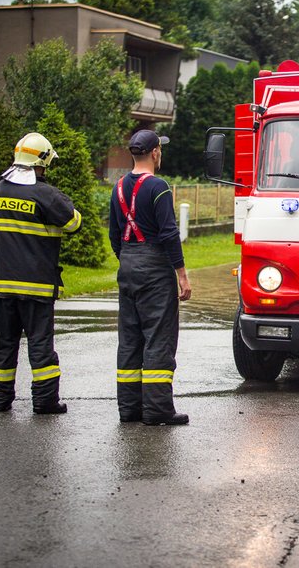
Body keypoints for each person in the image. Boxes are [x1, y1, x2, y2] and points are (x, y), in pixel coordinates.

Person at [0, 132, 82, 414]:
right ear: (42, 161)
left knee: (4, 343)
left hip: (3, 284)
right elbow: (74, 222)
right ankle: (44, 401)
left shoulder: (1, 190)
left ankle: (0, 398)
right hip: (36, 285)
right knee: (40, 343)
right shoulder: (45, 194)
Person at [109, 129, 192, 426]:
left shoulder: (118, 187)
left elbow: (114, 235)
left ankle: (129, 408)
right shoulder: (158, 187)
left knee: (130, 340)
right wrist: (181, 274)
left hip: (128, 265)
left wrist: (129, 261)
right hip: (155, 269)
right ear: (155, 152)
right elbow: (169, 233)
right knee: (158, 337)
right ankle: (157, 409)